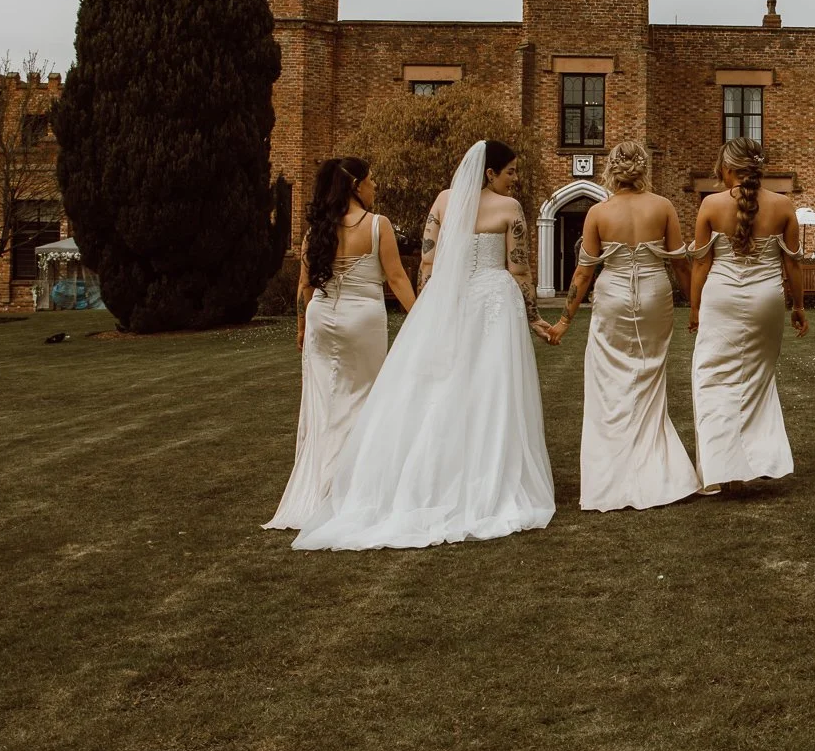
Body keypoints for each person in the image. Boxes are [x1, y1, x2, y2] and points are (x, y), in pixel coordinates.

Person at [292, 140, 556, 550]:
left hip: (447, 302)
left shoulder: (443, 201)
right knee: (493, 390)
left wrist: (428, 314)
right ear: (490, 173)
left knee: (445, 388)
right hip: (493, 302)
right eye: (510, 172)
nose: (514, 179)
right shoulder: (510, 209)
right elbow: (519, 269)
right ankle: (490, 476)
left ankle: (435, 475)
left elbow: (428, 264)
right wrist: (535, 317)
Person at [545, 141, 700, 511]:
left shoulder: (598, 212)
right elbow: (680, 265)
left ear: (612, 170)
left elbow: (584, 273)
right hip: (654, 293)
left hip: (613, 294)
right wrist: (696, 307)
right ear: (642, 169)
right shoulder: (662, 206)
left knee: (608, 382)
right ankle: (658, 471)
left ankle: (612, 477)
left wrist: (564, 321)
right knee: (649, 377)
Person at [264, 157, 416, 530]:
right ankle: (350, 488)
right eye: (371, 179)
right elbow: (396, 279)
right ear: (355, 186)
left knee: (324, 404)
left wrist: (302, 328)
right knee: (362, 399)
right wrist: (421, 318)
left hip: (321, 320)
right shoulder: (377, 225)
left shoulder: (316, 230)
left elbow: (305, 287)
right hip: (361, 319)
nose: (375, 185)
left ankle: (321, 486)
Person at [687, 137, 807, 492]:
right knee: (756, 382)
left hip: (720, 298)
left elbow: (700, 266)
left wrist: (694, 308)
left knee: (711, 380)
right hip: (767, 301)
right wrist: (798, 307)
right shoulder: (784, 206)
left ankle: (722, 469)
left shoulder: (710, 204)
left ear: (727, 168)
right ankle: (759, 460)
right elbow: (793, 265)